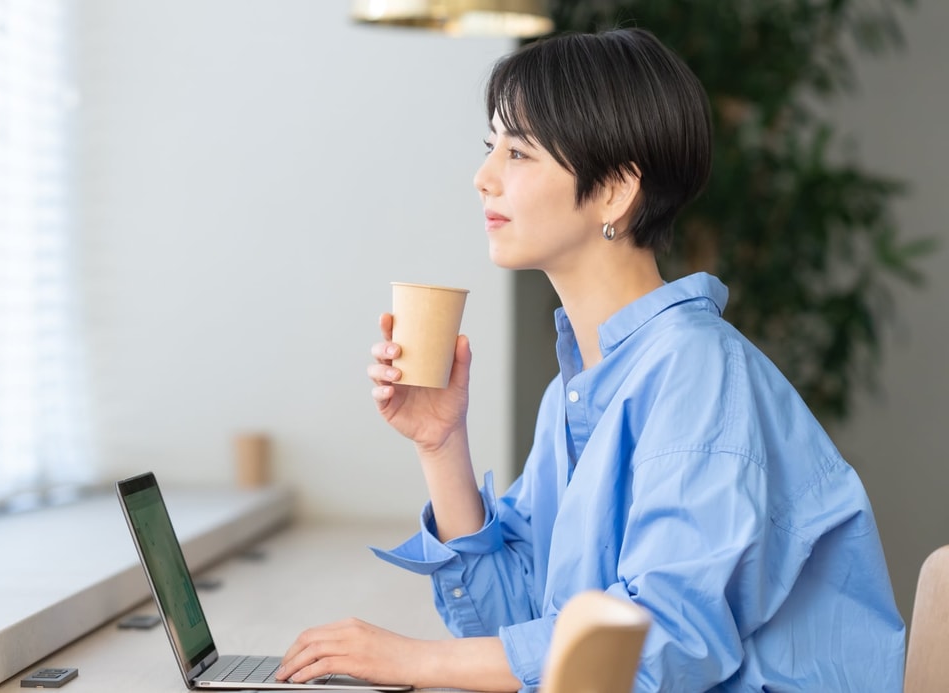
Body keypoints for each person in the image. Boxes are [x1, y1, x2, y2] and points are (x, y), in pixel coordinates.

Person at [276, 27, 905, 691]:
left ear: (614, 191)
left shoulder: (696, 371)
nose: (482, 177)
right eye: (490, 148)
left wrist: (411, 660)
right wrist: (440, 442)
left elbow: (662, 640)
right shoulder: (581, 390)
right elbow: (518, 628)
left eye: (517, 152)